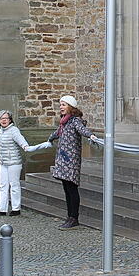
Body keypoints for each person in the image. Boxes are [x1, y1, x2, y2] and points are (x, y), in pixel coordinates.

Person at [0, 110, 49, 217]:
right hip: (3, 163)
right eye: (2, 119)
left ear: (10, 120)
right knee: (3, 186)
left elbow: (25, 145)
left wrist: (43, 145)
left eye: (6, 118)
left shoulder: (14, 131)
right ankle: (2, 209)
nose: (4, 120)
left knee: (14, 185)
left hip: (14, 163)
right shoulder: (1, 131)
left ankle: (16, 208)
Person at [47, 96, 96, 229]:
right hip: (63, 160)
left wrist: (91, 135)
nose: (61, 107)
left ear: (70, 106)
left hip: (71, 161)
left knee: (72, 188)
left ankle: (74, 217)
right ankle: (69, 216)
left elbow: (82, 129)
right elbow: (57, 133)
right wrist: (50, 139)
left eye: (64, 104)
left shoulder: (75, 120)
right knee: (66, 188)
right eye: (60, 104)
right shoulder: (64, 122)